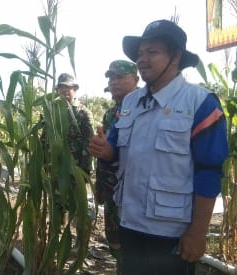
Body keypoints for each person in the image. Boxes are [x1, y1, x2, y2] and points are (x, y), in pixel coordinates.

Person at [88, 19, 228, 275]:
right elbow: (116, 148)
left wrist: (197, 233)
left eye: (152, 52)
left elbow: (209, 172)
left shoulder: (200, 103)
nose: (142, 59)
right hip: (129, 223)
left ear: (176, 56)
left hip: (170, 231)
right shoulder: (130, 102)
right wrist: (105, 150)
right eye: (140, 53)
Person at [95, 60, 139, 274]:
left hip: (133, 192)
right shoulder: (111, 113)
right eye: (111, 77)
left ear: (136, 79)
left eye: (120, 77)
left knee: (133, 246)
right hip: (112, 190)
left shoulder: (143, 107)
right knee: (116, 241)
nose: (114, 82)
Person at [54, 73, 94, 242]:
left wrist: (84, 170)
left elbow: (90, 143)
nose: (65, 91)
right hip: (57, 169)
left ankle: (81, 245)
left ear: (75, 90)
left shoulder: (83, 113)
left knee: (79, 208)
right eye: (62, 87)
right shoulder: (53, 111)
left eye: (68, 88)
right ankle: (58, 240)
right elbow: (44, 139)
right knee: (58, 205)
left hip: (77, 169)